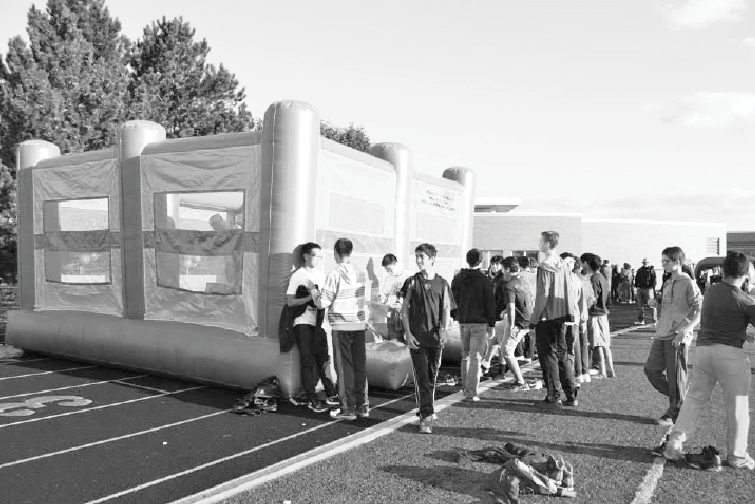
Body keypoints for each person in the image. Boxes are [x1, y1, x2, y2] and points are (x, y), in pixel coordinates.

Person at [661, 252, 755, 470]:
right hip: (730, 356)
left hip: (703, 351)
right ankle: (737, 456)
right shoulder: (745, 299)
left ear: (723, 270)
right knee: (737, 408)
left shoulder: (712, 291)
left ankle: (674, 444)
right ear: (746, 273)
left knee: (694, 400)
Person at [308, 238, 368, 421]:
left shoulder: (333, 274)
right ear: (350, 252)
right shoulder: (361, 272)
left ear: (335, 253)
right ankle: (362, 406)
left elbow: (323, 303)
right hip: (358, 325)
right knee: (359, 367)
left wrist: (313, 290)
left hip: (341, 326)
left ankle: (347, 409)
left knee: (343, 368)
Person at [644, 246, 702, 426]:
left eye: (666, 262)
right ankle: (680, 398)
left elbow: (699, 309)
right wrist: (656, 302)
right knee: (651, 370)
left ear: (678, 262)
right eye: (662, 261)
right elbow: (667, 305)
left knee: (676, 375)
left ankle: (674, 412)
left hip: (677, 335)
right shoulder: (668, 282)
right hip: (662, 333)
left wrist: (686, 329)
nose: (663, 265)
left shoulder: (688, 283)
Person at [401, 243, 453, 433]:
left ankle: (426, 408)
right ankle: (426, 417)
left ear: (432, 259)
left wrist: (443, 330)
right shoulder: (411, 282)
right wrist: (408, 333)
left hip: (435, 338)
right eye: (416, 256)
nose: (418, 260)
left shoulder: (443, 283)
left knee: (432, 376)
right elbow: (404, 310)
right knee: (423, 377)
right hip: (417, 339)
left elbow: (446, 308)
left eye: (421, 256)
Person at [286, 242, 337, 414]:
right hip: (302, 322)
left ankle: (331, 393)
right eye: (315, 255)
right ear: (306, 256)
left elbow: (326, 300)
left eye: (320, 256)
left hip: (319, 324)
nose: (318, 259)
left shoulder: (322, 276)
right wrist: (309, 298)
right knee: (307, 359)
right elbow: (290, 301)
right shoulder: (298, 275)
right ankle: (311, 398)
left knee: (324, 358)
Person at [531, 231, 578, 408]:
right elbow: (569, 290)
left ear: (548, 244)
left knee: (548, 357)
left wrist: (533, 320)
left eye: (540, 241)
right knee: (562, 355)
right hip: (561, 316)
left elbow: (542, 296)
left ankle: (553, 396)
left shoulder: (544, 267)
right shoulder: (563, 264)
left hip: (546, 317)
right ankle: (571, 394)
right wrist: (571, 313)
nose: (539, 244)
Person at [451, 248, 497, 401]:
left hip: (463, 320)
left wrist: (455, 314)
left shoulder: (458, 278)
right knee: (475, 357)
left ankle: (465, 388)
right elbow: (489, 303)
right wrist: (492, 324)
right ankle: (471, 392)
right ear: (481, 261)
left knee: (465, 356)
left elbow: (453, 299)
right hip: (479, 322)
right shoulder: (484, 280)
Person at [498, 256, 534, 390]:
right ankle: (517, 378)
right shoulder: (522, 280)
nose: (502, 271)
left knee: (506, 351)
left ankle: (520, 381)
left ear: (507, 269)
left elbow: (513, 307)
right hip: (526, 318)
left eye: (503, 268)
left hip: (520, 321)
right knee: (504, 349)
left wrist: (512, 325)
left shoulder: (509, 285)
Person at [580, 253, 616, 379]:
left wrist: (583, 307)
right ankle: (610, 370)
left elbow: (593, 298)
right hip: (603, 313)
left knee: (597, 343)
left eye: (582, 262)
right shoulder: (601, 276)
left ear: (587, 263)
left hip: (596, 314)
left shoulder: (594, 278)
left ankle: (602, 372)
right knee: (605, 343)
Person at [381, 253, 411, 342]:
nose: (388, 272)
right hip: (393, 313)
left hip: (406, 312)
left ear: (396, 264)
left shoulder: (409, 276)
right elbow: (385, 295)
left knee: (408, 342)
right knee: (393, 342)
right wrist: (383, 299)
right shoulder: (388, 278)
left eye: (390, 269)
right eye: (386, 270)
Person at [634, 258, 658, 325]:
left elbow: (654, 279)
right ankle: (641, 320)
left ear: (648, 262)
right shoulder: (640, 270)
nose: (645, 263)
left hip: (648, 289)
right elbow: (636, 278)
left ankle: (655, 320)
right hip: (640, 289)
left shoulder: (651, 270)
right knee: (639, 305)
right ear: (642, 263)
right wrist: (636, 285)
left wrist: (652, 286)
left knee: (651, 305)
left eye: (646, 262)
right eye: (644, 262)